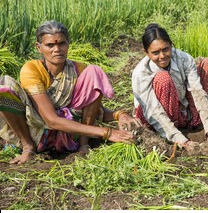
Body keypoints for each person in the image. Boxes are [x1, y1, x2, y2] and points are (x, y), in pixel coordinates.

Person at [0, 20, 142, 164]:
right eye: (50, 45)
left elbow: (93, 110)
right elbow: (51, 120)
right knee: (4, 86)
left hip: (69, 135)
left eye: (61, 43)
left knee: (94, 71)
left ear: (68, 43)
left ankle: (84, 144)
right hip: (36, 132)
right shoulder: (32, 69)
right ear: (39, 47)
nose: (57, 49)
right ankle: (28, 147)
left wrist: (120, 114)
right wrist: (108, 133)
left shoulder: (78, 70)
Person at [132, 23, 208, 149]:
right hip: (156, 119)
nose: (162, 56)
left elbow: (197, 91)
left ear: (171, 46)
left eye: (166, 49)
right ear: (146, 53)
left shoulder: (183, 59)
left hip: (183, 112)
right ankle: (174, 131)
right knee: (163, 78)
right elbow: (152, 110)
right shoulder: (141, 72)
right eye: (155, 52)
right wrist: (182, 141)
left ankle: (196, 122)